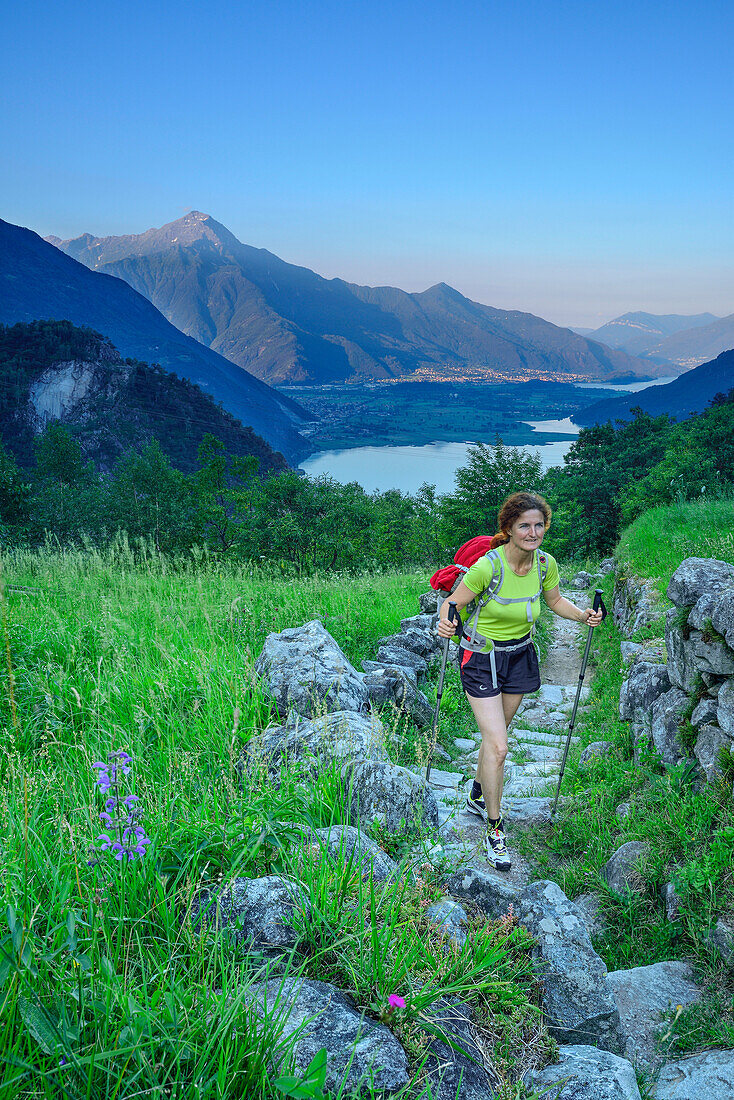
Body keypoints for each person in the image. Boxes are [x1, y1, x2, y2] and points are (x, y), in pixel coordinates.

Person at [437, 491, 602, 871]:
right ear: (508, 528)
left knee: (497, 739)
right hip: (481, 658)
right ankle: (495, 829)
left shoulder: (545, 564)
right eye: (524, 525)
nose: (533, 532)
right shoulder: (487, 567)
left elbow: (556, 600)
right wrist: (445, 622)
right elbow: (452, 603)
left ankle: (477, 794)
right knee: (498, 747)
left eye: (538, 525)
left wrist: (582, 616)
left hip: (520, 656)